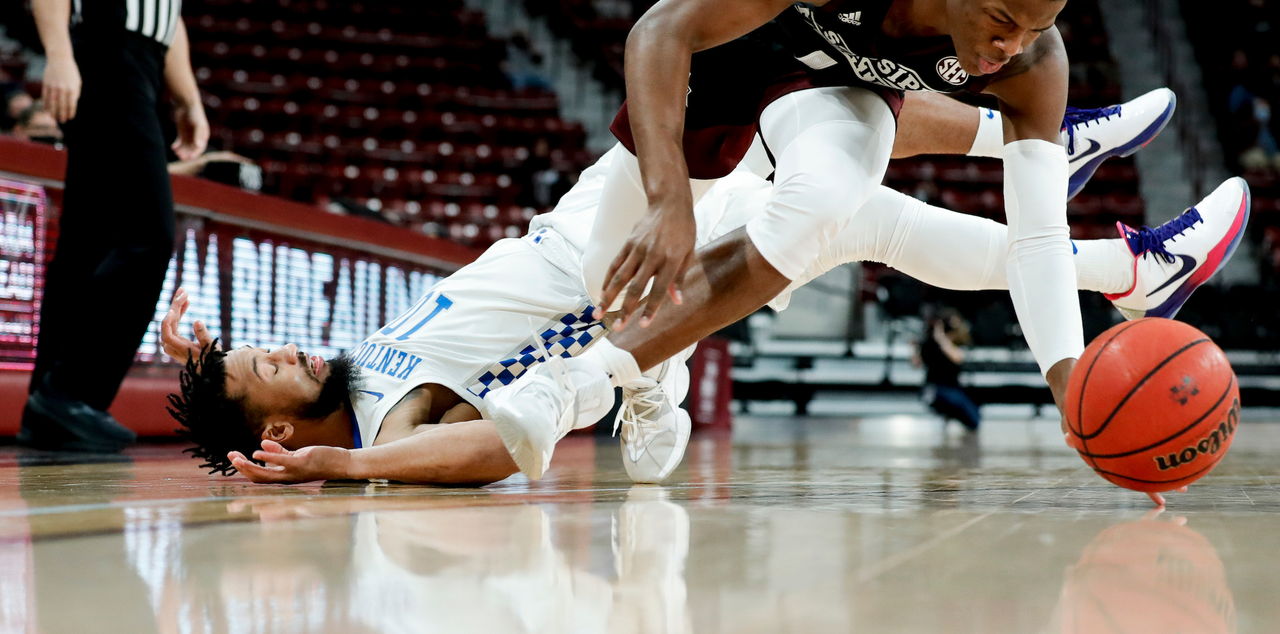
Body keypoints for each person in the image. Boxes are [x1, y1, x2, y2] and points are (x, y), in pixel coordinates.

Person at [159, 115, 1247, 486]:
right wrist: (345, 466)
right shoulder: (391, 424)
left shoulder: (354, 370)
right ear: (280, 433)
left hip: (589, 222)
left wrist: (200, 363)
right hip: (617, 257)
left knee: (849, 192)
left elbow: (253, 390)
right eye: (267, 371)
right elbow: (487, 451)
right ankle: (1055, 163)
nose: (283, 352)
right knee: (811, 131)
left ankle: (1119, 263)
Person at [565, 0, 1115, 444]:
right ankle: (656, 368)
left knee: (820, 203)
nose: (1011, 47)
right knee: (607, 283)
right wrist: (669, 200)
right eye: (1002, 20)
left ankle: (613, 372)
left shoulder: (1033, 66)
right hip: (744, 48)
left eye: (1036, 28)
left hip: (836, 88)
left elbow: (1040, 236)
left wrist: (1066, 379)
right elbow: (661, 28)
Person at [19, 0, 207, 453]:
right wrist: (60, 58)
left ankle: (50, 404)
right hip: (105, 63)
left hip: (142, 71)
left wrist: (187, 98)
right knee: (150, 236)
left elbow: (170, 18)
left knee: (89, 247)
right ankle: (70, 391)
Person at [913, 308, 981, 431]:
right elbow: (916, 364)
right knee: (960, 404)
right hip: (934, 388)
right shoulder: (929, 344)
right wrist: (914, 348)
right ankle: (947, 417)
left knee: (974, 419)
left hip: (954, 387)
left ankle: (950, 417)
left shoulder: (954, 345)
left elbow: (957, 357)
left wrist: (942, 339)